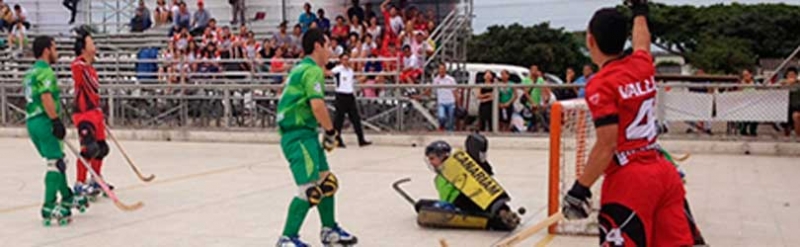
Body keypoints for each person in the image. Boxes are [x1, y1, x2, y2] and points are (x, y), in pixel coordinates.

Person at [561, 2, 695, 246]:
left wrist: (580, 189)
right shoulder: (642, 65)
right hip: (663, 172)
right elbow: (642, 41)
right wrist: (640, 11)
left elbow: (606, 145)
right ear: (625, 40)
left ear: (590, 40)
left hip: (630, 180)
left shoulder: (600, 83)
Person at [275, 28, 358, 247]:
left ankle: (329, 230)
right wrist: (331, 132)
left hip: (306, 134)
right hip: (298, 135)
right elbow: (318, 105)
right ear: (318, 46)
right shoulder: (312, 71)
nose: (331, 50)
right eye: (328, 44)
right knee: (309, 190)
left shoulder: (300, 68)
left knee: (326, 182)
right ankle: (287, 238)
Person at [25, 36, 89, 226]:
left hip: (32, 122)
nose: (57, 51)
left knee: (59, 160)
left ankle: (67, 195)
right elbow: (45, 97)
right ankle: (49, 205)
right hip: (44, 121)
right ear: (46, 50)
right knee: (54, 163)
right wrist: (55, 121)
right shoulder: (45, 72)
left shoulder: (30, 72)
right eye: (54, 48)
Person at [415, 136, 520, 231]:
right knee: (420, 204)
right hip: (453, 205)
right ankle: (501, 214)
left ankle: (502, 214)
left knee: (480, 203)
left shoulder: (457, 166)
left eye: (432, 158)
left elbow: (480, 174)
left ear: (442, 156)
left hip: (465, 198)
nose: (431, 162)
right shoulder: (439, 177)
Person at [69, 29, 114, 199]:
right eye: (91, 42)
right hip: (83, 114)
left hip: (95, 113)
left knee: (101, 148)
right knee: (89, 149)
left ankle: (95, 179)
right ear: (83, 47)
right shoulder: (79, 66)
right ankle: (79, 183)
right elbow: (75, 67)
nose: (94, 46)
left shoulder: (92, 69)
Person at [328, 53, 372, 148]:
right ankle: (336, 140)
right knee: (338, 120)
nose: (346, 61)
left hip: (350, 95)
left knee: (356, 118)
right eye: (344, 59)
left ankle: (361, 139)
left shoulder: (350, 71)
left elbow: (351, 82)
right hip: (341, 95)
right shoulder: (338, 70)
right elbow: (328, 73)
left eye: (347, 59)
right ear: (340, 60)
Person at [433, 64, 457, 131]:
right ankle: (442, 127)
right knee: (441, 117)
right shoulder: (436, 80)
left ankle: (450, 131)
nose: (442, 70)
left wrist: (457, 101)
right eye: (440, 69)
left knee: (451, 119)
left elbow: (454, 90)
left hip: (450, 101)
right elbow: (433, 90)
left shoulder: (451, 79)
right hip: (441, 102)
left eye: (443, 69)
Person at [738, 68, 759, 137]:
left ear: (751, 75)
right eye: (744, 75)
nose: (745, 77)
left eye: (747, 75)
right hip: (743, 104)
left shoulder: (756, 83)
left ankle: (753, 129)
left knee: (756, 112)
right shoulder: (741, 84)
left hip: (754, 104)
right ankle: (743, 128)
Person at [782, 67, 800, 137]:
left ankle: (798, 136)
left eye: (793, 75)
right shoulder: (783, 84)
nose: (791, 77)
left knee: (796, 116)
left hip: (797, 106)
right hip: (785, 107)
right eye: (789, 75)